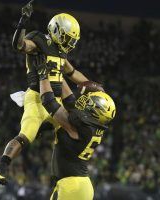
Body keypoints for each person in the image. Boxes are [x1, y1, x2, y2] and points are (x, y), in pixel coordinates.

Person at [0, 0, 90, 185]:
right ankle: (1, 167)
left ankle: (61, 169)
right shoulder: (39, 39)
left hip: (56, 101)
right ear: (57, 31)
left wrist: (91, 84)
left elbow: (72, 73)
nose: (69, 43)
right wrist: (23, 21)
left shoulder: (61, 52)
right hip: (37, 97)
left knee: (72, 132)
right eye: (67, 38)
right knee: (26, 135)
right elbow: (19, 45)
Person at [35, 54, 116, 199]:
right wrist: (57, 73)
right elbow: (70, 101)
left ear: (96, 111)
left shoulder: (83, 126)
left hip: (73, 186)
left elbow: (49, 102)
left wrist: (43, 75)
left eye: (89, 102)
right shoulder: (90, 125)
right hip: (75, 184)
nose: (84, 101)